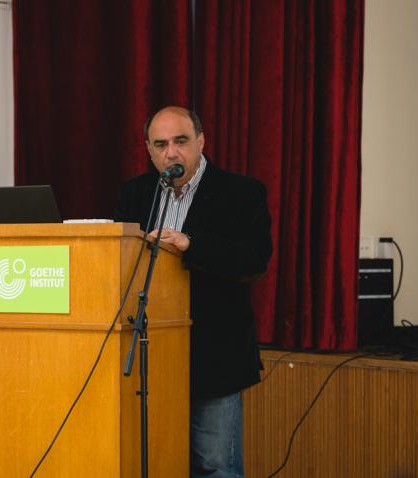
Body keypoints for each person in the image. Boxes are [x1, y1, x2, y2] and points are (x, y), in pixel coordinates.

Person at [114, 106, 272, 478]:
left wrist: (191, 244)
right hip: (152, 359)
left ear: (201, 141)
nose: (171, 153)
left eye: (181, 141)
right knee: (156, 462)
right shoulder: (135, 193)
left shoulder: (241, 192)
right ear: (149, 150)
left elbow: (254, 261)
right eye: (161, 144)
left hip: (213, 355)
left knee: (215, 467)